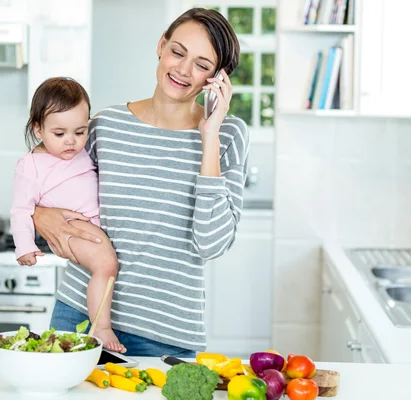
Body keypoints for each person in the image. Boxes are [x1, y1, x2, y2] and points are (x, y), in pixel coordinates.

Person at [32, 8, 249, 357]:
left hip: (165, 332)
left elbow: (210, 244)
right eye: (178, 52)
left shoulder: (228, 135)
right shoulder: (105, 125)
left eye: (202, 64)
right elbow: (42, 191)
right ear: (161, 45)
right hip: (81, 315)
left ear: (217, 78)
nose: (182, 69)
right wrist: (39, 215)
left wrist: (209, 135)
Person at [10, 77, 125, 352]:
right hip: (71, 227)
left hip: (90, 223)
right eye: (59, 134)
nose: (71, 142)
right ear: (38, 129)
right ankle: (101, 326)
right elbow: (21, 209)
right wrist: (24, 246)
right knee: (106, 266)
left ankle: (100, 323)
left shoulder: (81, 150)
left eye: (80, 132)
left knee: (106, 266)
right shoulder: (31, 166)